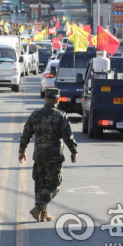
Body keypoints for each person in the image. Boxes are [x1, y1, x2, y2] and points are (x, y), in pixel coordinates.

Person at [18, 88, 78, 222]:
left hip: (39, 155)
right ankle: (39, 206)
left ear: (45, 99)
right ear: (58, 99)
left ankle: (43, 212)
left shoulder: (36, 114)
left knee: (40, 183)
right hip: (54, 155)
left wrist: (22, 150)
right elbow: (68, 136)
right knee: (55, 183)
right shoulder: (60, 115)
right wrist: (73, 151)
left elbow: (26, 133)